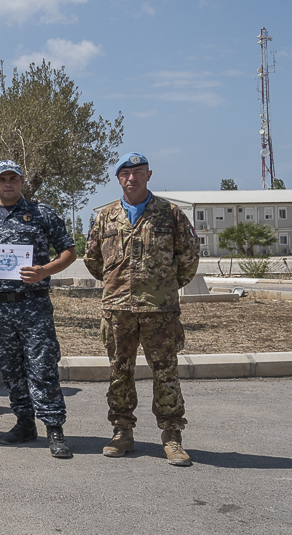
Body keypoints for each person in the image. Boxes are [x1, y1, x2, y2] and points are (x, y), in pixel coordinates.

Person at [85, 152, 199, 466]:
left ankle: (172, 436)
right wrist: (118, 284)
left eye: (138, 172)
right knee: (120, 372)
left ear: (149, 175)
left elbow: (189, 257)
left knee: (166, 373)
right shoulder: (105, 216)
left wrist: (163, 286)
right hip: (118, 310)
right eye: (125, 173)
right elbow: (93, 260)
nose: (131, 178)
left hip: (159, 311)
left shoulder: (170, 213)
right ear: (118, 178)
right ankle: (122, 432)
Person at [0, 160, 76, 459]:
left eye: (13, 178)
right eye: (2, 179)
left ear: (21, 181)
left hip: (33, 306)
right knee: (12, 369)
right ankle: (24, 422)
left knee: (42, 368)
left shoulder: (43, 214)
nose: (8, 183)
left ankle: (54, 429)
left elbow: (69, 250)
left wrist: (45, 270)